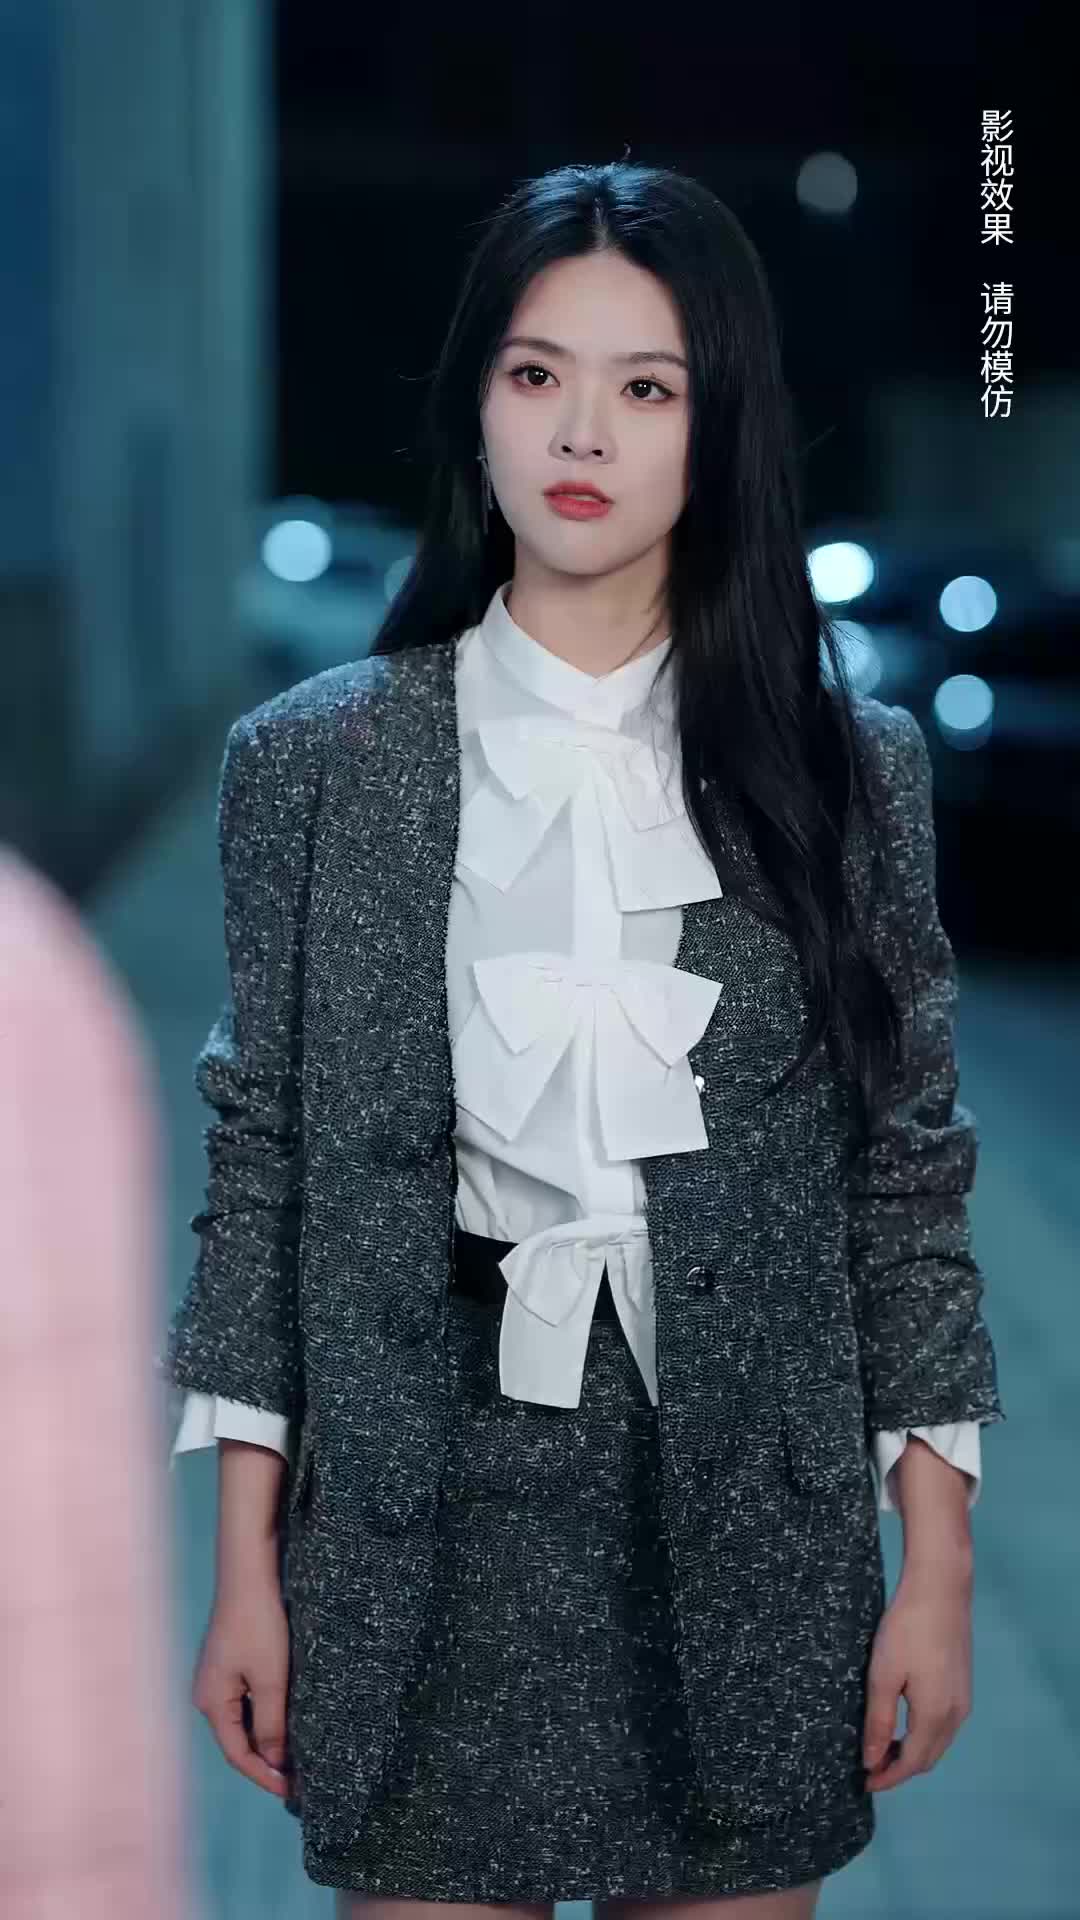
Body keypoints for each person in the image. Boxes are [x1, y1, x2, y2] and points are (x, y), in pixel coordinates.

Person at [159, 160, 1005, 1920]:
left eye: (649, 387)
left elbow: (906, 1177)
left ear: (721, 426)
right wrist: (244, 1567)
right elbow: (266, 1174)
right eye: (537, 373)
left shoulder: (850, 774)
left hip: (750, 1535)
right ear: (475, 406)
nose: (584, 433)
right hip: (417, 1529)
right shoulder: (314, 764)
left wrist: (935, 1565)